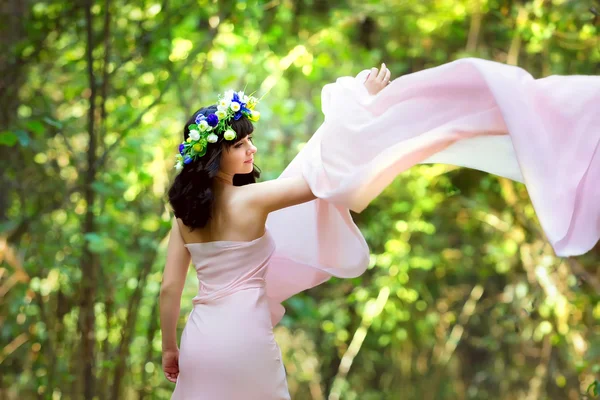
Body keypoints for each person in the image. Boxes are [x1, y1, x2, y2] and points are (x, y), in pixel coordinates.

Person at [159, 64, 393, 399]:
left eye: (249, 140)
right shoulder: (255, 199)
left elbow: (169, 288)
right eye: (239, 144)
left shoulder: (183, 218)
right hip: (247, 339)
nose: (251, 149)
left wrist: (170, 349)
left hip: (200, 341)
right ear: (213, 155)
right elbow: (322, 176)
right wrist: (360, 105)